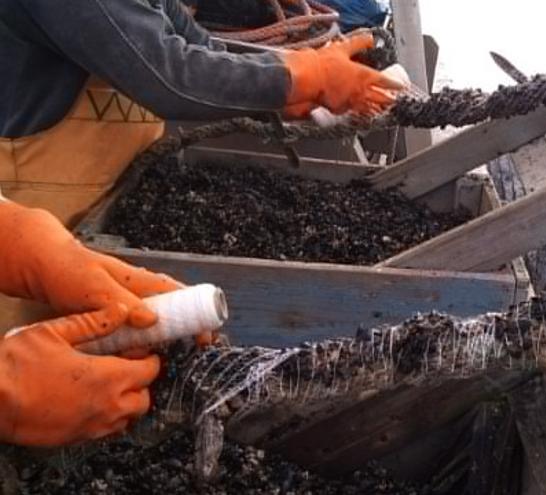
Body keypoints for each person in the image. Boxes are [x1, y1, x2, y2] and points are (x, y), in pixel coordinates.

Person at [0, 0, 402, 447]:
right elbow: (168, 73)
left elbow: (196, 46)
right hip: (37, 206)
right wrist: (297, 79)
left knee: (86, 383)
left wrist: (293, 69)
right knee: (35, 374)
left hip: (110, 203)